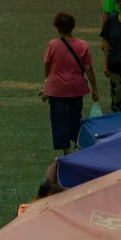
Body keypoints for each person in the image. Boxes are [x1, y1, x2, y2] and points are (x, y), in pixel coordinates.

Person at [43, 12, 98, 155]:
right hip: (77, 88)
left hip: (56, 89)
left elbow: (47, 66)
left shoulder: (53, 44)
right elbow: (88, 69)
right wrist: (94, 88)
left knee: (58, 119)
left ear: (58, 28)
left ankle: (66, 151)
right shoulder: (83, 45)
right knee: (75, 117)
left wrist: (48, 81)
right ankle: (77, 144)